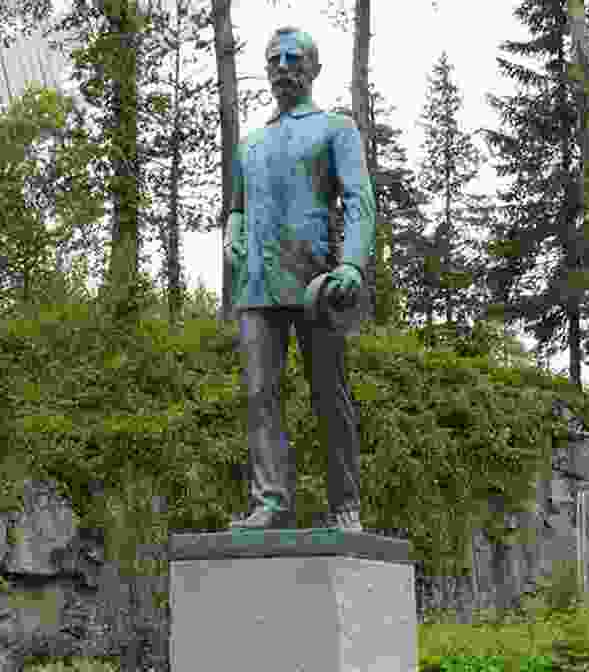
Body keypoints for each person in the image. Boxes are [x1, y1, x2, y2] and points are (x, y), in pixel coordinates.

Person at [225, 25, 376, 530]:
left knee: (329, 394)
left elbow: (359, 201)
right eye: (274, 60)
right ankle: (270, 501)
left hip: (318, 284)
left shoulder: (336, 128)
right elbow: (237, 208)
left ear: (313, 68)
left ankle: (344, 503)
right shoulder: (249, 145)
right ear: (266, 71)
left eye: (294, 58)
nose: (284, 66)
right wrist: (233, 231)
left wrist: (352, 262)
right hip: (255, 288)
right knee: (259, 393)